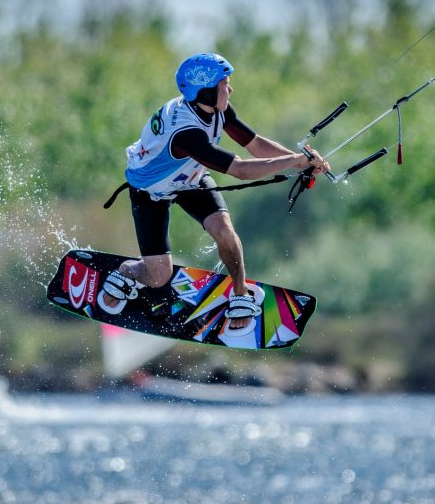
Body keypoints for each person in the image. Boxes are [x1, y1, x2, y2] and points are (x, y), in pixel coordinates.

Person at [97, 52, 330, 334]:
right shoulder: (186, 133)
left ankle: (241, 294)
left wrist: (302, 160)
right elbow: (240, 170)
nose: (230, 89)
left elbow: (254, 144)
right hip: (150, 192)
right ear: (206, 91)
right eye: (225, 84)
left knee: (224, 230)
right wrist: (295, 162)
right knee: (159, 277)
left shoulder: (216, 110)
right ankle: (129, 272)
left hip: (190, 178)